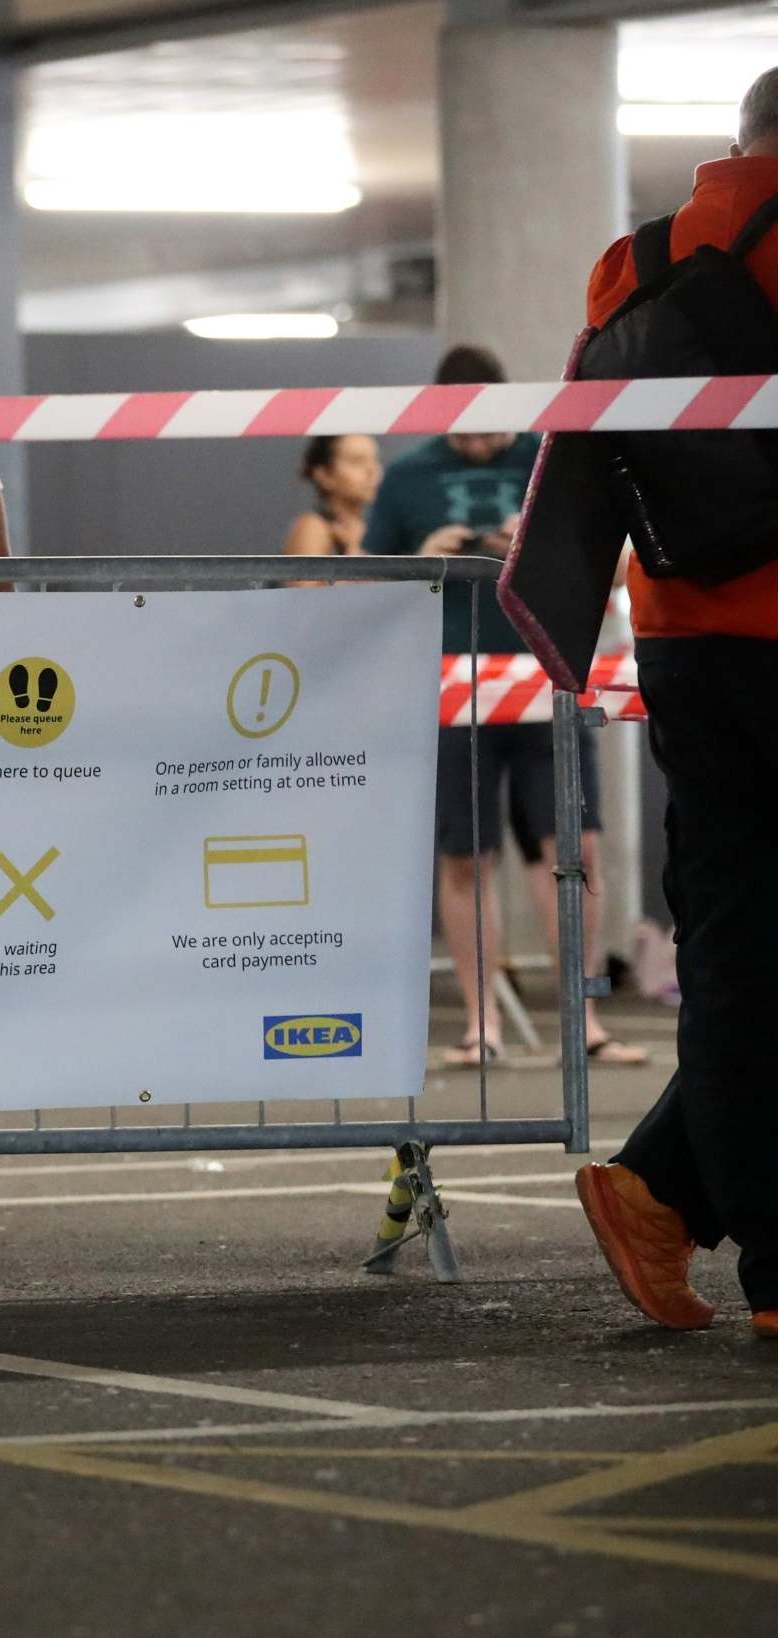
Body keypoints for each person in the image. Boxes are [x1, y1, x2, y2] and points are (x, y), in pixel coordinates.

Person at [574, 66, 778, 1340]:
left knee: (742, 942)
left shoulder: (631, 259)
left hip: (689, 642)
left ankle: (659, 1187)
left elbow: (594, 447)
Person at [363, 344, 640, 1070]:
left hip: (547, 675)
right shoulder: (405, 480)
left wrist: (539, 544)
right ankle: (480, 1023)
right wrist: (425, 556)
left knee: (575, 851)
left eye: (490, 431)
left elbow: (620, 559)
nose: (480, 445)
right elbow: (363, 585)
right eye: (464, 433)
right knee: (464, 857)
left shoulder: (550, 463)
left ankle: (584, 1019)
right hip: (453, 688)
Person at [282, 434, 381, 559]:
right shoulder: (313, 528)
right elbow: (304, 579)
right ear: (324, 475)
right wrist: (355, 551)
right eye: (357, 461)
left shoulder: (366, 529)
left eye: (375, 460)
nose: (372, 470)